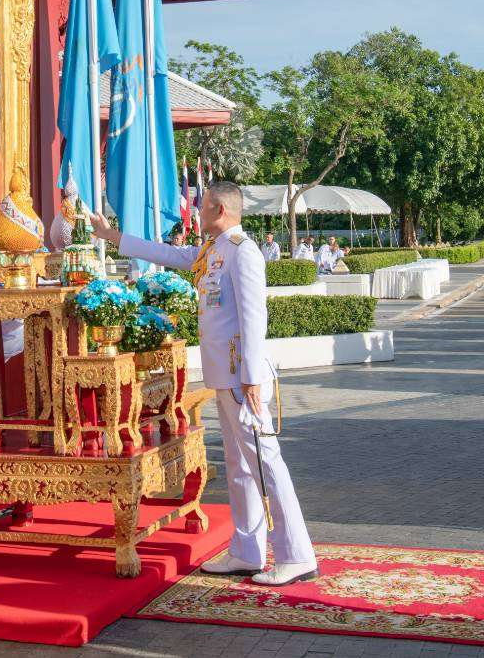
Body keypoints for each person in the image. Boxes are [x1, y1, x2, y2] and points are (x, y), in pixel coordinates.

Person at [90, 182, 317, 586]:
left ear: (219, 209)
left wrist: (251, 377)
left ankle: (296, 554)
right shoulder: (213, 250)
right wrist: (113, 236)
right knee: (239, 466)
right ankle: (247, 551)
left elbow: (254, 317)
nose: (196, 211)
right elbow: (169, 254)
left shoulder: (243, 252)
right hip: (226, 377)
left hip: (242, 378)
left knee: (265, 463)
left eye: (203, 205)